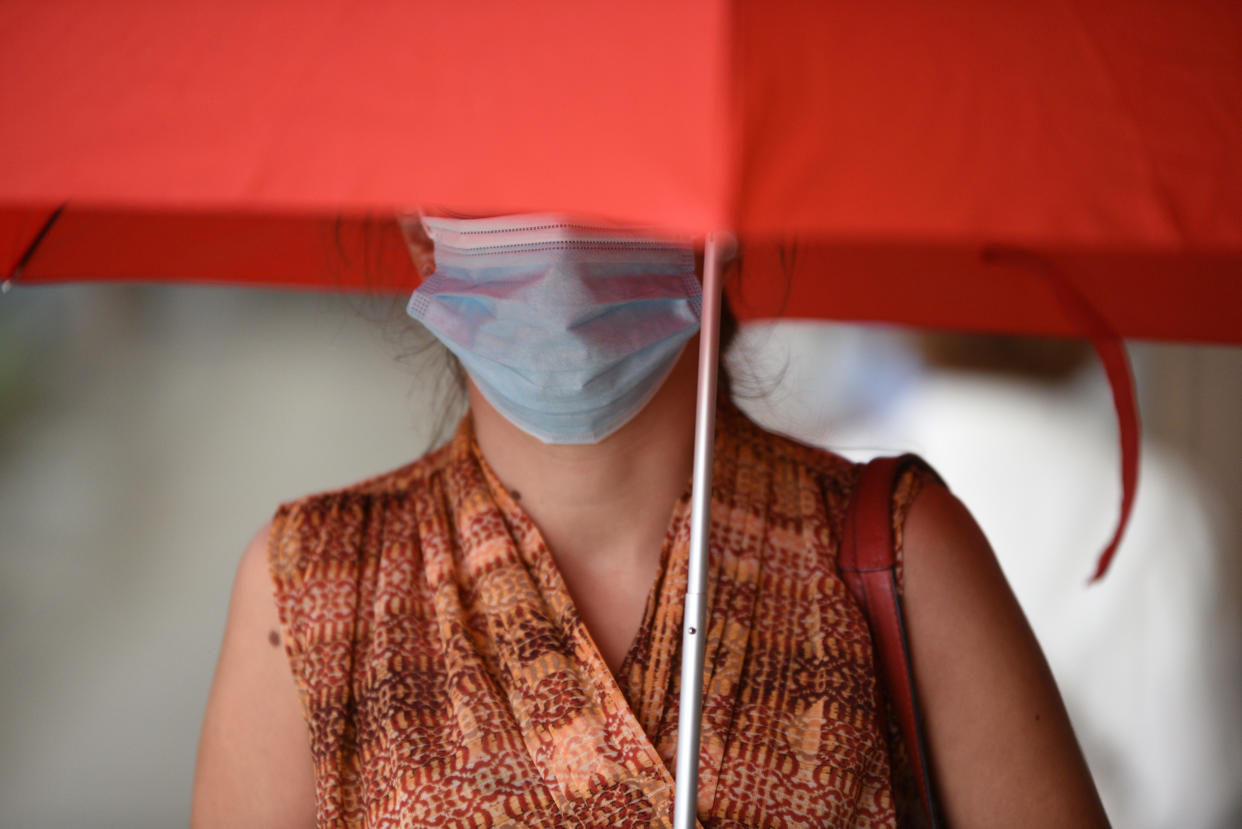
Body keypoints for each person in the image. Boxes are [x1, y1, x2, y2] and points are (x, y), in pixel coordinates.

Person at [191, 214, 1110, 828]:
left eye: (603, 148)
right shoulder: (311, 590)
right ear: (415, 218)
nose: (550, 214)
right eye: (494, 156)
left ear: (731, 217)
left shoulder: (902, 558)